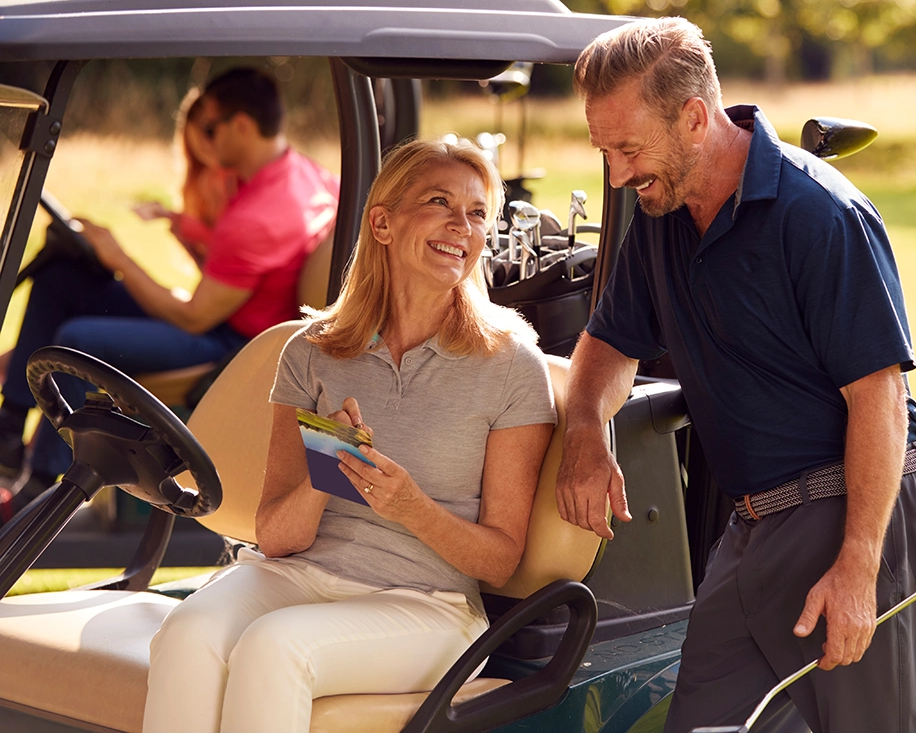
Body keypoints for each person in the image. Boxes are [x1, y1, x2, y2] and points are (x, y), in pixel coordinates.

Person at [556, 17, 916, 733]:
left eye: (628, 148)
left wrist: (859, 566)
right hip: (752, 531)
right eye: (603, 151)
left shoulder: (821, 215)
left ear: (695, 118)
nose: (616, 173)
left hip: (854, 515)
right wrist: (584, 428)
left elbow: (880, 398)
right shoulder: (659, 213)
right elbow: (609, 345)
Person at [142, 138, 556, 733]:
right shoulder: (313, 352)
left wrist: (410, 506)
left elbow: (499, 560)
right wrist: (329, 466)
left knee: (276, 648)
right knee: (187, 631)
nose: (461, 227)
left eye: (476, 213)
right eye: (439, 202)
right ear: (382, 223)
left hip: (429, 605)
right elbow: (276, 536)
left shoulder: (510, 364)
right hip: (299, 575)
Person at [0, 67, 337, 495]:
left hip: (234, 346)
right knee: (62, 278)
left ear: (242, 126)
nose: (204, 141)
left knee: (76, 340)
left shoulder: (257, 215)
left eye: (211, 128)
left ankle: (45, 487)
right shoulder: (307, 176)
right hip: (230, 318)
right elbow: (245, 273)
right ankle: (9, 432)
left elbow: (194, 316)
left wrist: (119, 255)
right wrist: (188, 234)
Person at [134, 85, 239, 266]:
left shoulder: (239, 178)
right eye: (198, 142)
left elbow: (233, 246)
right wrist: (179, 228)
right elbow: (208, 267)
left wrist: (182, 224)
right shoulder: (200, 180)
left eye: (211, 133)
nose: (207, 147)